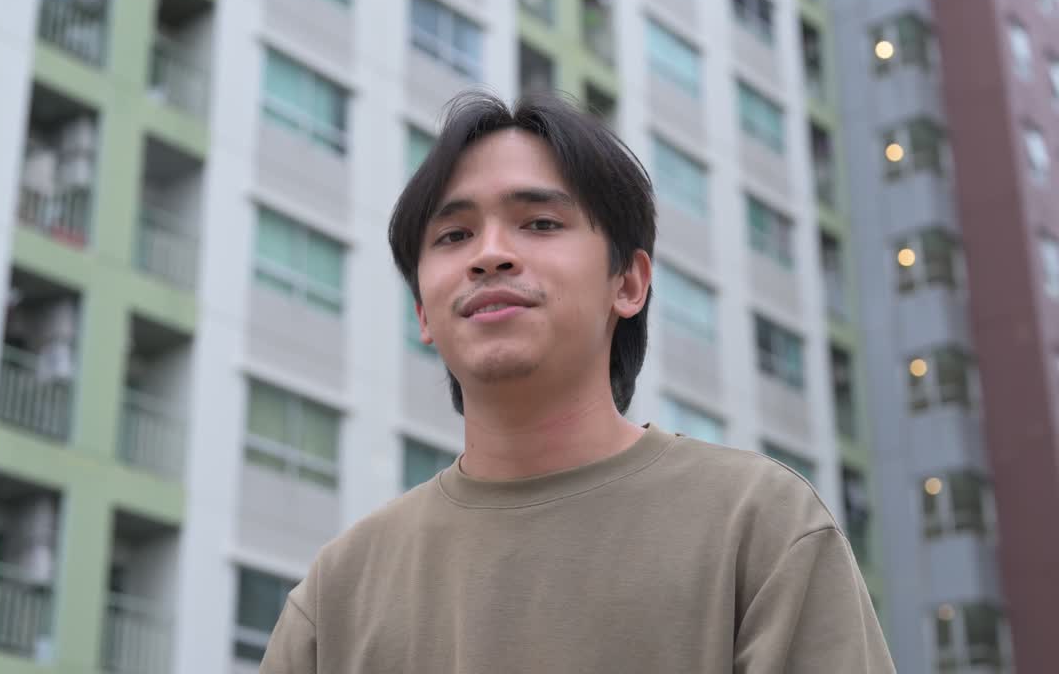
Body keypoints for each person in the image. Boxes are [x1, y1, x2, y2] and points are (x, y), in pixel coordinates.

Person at [258, 91, 895, 673]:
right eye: (454, 235)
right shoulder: (336, 595)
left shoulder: (760, 525)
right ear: (422, 312)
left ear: (629, 283)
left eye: (539, 223)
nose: (490, 253)